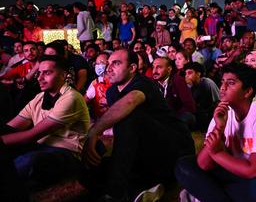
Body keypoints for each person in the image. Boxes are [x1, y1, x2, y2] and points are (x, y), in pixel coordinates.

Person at [175, 62, 256, 202]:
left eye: (231, 83)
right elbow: (204, 164)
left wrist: (217, 153)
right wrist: (219, 128)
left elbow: (253, 170)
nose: (222, 87)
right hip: (236, 169)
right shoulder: (222, 113)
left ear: (247, 91)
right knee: (183, 166)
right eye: (222, 82)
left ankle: (206, 193)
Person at [81, 49, 194, 201]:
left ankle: (118, 191)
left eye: (116, 63)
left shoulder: (143, 83)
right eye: (108, 63)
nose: (108, 68)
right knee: (87, 171)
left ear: (132, 68)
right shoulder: (112, 92)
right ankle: (142, 188)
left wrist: (94, 131)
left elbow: (130, 101)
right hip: (145, 151)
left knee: (128, 116)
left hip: (173, 147)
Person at [0, 55, 89, 199]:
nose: (40, 78)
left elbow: (32, 135)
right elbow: (12, 127)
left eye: (47, 73)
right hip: (40, 146)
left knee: (27, 162)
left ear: (63, 75)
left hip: (64, 153)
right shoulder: (40, 97)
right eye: (39, 73)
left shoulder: (71, 98)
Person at [152, 57, 196, 126]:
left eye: (159, 67)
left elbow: (190, 106)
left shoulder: (178, 80)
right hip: (161, 116)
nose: (154, 71)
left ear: (169, 69)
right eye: (153, 67)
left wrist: (171, 116)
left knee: (188, 117)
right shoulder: (152, 82)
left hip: (176, 115)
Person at [183, 62, 219, 131]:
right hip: (202, 113)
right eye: (186, 73)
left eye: (190, 73)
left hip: (212, 114)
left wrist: (189, 87)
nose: (186, 76)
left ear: (198, 74)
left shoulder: (206, 82)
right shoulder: (192, 85)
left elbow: (205, 105)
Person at [84, 52, 112, 120]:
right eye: (97, 63)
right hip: (101, 121)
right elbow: (83, 101)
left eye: (101, 62)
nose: (98, 65)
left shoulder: (119, 81)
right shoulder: (95, 83)